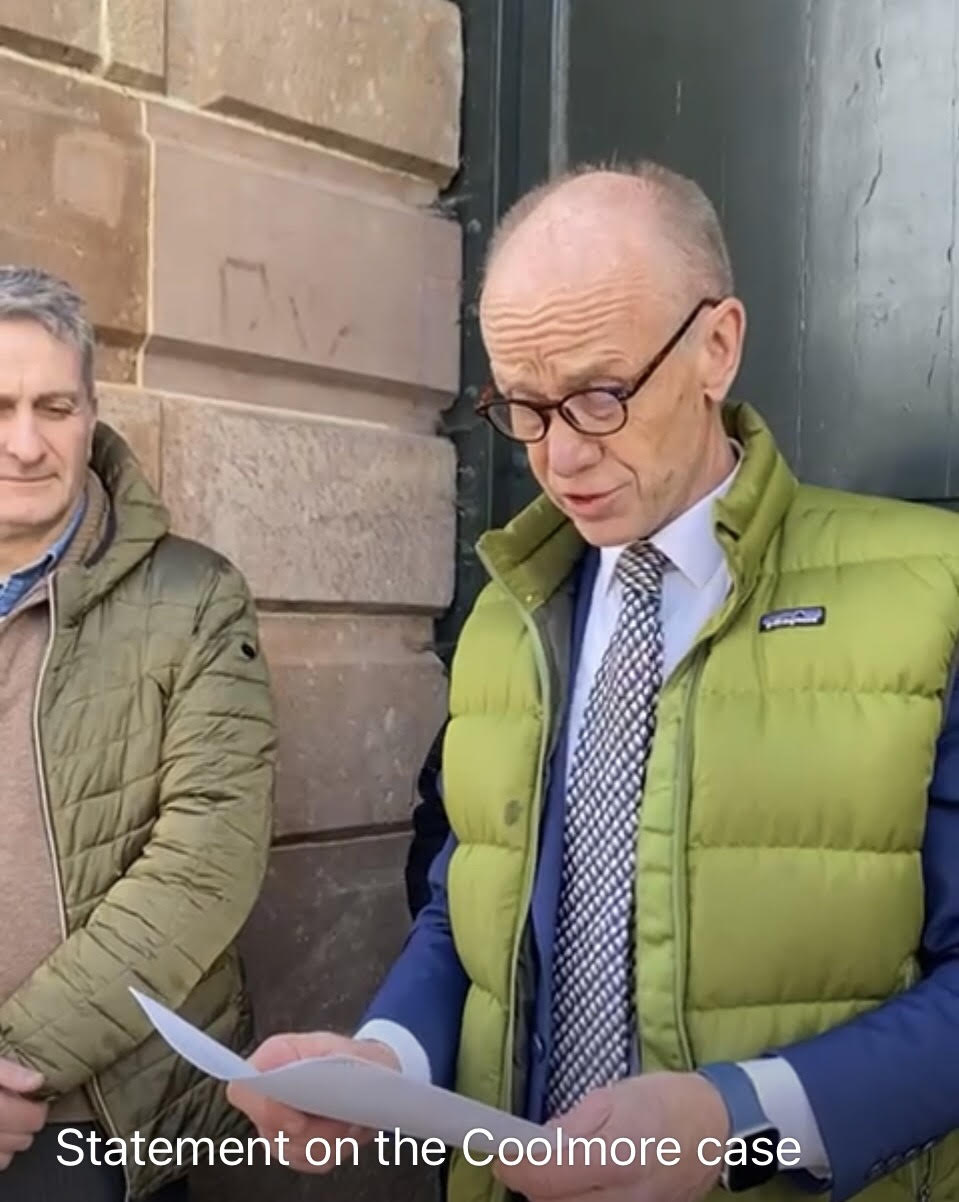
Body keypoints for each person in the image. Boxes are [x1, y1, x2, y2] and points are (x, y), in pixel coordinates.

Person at [229, 163, 959, 1201]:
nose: (560, 456)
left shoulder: (933, 591)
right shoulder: (507, 614)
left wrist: (736, 1121)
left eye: (599, 396)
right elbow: (468, 910)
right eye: (522, 407)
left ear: (717, 346)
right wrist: (388, 1057)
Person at [0, 266, 275, 1201]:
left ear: (92, 414)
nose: (26, 443)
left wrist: (16, 1063)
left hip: (96, 1119)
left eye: (54, 407)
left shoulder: (195, 597)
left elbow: (205, 865)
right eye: (1, 407)